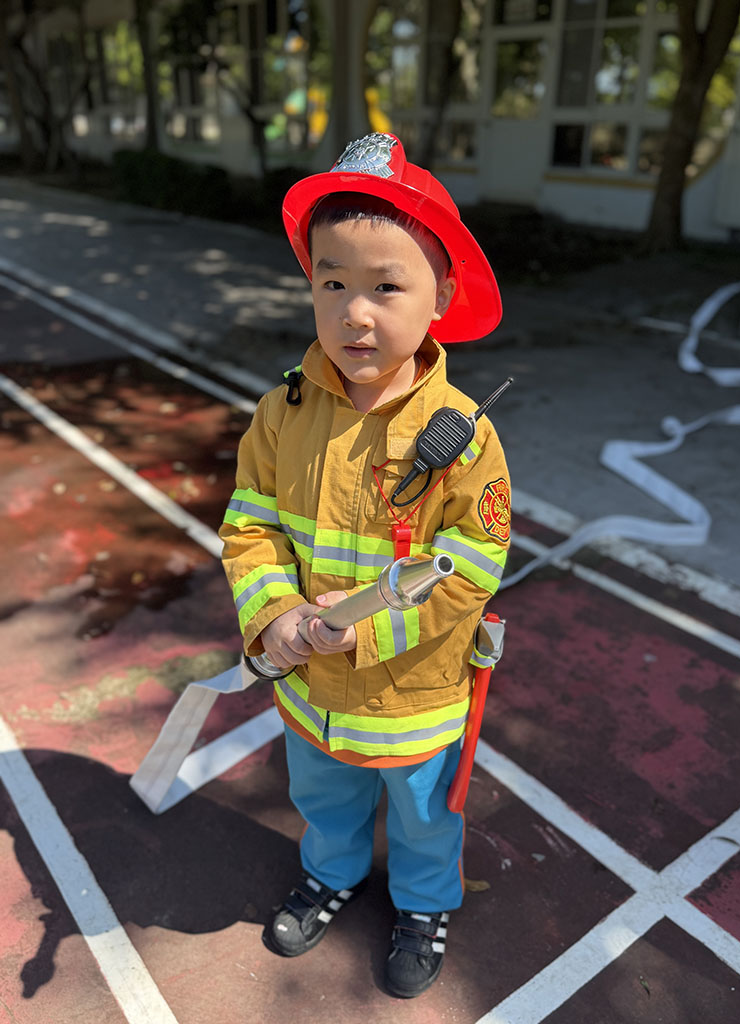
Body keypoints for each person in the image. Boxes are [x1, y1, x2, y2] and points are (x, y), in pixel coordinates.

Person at [219, 132, 511, 998]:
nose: (355, 313)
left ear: (441, 295)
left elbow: (472, 564)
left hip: (414, 692)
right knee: (323, 797)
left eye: (386, 287)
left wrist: (369, 633)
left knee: (424, 816)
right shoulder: (281, 413)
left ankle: (423, 904)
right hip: (311, 683)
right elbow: (250, 525)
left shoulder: (465, 435)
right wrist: (274, 614)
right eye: (333, 283)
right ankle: (330, 874)